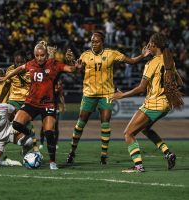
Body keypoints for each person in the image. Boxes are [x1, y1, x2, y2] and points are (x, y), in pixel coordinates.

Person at [66, 31, 150, 165]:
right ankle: (72, 152)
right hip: (89, 94)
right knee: (80, 124)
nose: (94, 44)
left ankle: (103, 155)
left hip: (106, 94)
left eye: (97, 41)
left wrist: (142, 55)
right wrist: (73, 63)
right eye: (92, 41)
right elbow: (77, 69)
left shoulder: (111, 53)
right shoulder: (85, 55)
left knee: (105, 123)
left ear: (102, 42)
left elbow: (131, 61)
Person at [0, 41, 81, 170]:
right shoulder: (31, 64)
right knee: (16, 124)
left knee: (49, 132)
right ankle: (30, 134)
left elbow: (72, 69)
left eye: (42, 55)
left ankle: (53, 162)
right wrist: (5, 77)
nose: (39, 58)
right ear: (34, 55)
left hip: (48, 104)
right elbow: (19, 68)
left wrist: (74, 63)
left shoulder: (54, 64)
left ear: (46, 54)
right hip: (32, 102)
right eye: (37, 55)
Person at [109, 33, 184, 172]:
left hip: (154, 103)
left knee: (128, 133)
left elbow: (141, 88)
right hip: (166, 104)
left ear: (154, 45)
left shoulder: (152, 63)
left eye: (149, 43)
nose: (148, 45)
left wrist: (121, 95)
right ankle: (168, 153)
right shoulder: (169, 61)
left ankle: (138, 166)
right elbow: (180, 82)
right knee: (145, 129)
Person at [0, 50, 40, 155]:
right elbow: (6, 86)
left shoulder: (32, 70)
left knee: (28, 125)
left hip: (27, 101)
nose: (19, 64)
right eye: (17, 62)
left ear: (26, 61)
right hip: (14, 100)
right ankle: (0, 145)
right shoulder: (10, 70)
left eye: (21, 62)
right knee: (8, 120)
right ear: (14, 62)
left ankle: (30, 146)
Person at [39, 79, 65, 150]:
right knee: (44, 125)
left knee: (56, 126)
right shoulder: (48, 85)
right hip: (46, 106)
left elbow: (61, 96)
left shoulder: (59, 86)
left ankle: (55, 143)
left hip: (55, 108)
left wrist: (63, 106)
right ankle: (41, 142)